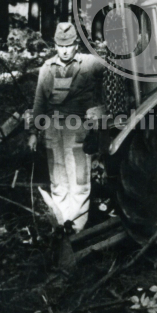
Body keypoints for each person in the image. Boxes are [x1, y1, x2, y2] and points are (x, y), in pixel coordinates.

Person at [27, 21, 105, 233]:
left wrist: (103, 107)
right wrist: (33, 132)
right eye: (60, 46)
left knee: (79, 179)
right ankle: (62, 226)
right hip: (51, 129)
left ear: (75, 45)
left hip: (77, 128)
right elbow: (39, 102)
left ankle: (76, 229)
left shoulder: (89, 63)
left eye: (68, 45)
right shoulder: (47, 68)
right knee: (58, 180)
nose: (64, 50)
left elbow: (116, 73)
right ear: (55, 45)